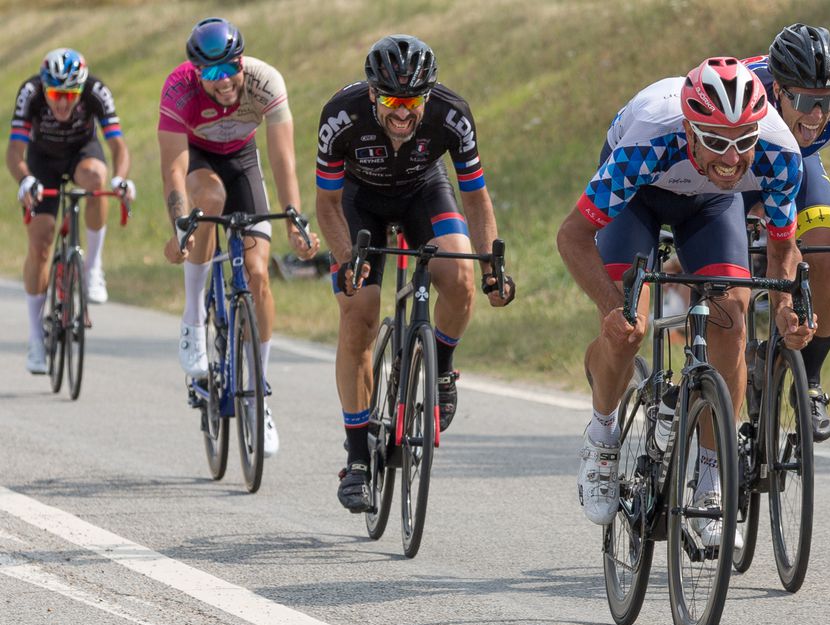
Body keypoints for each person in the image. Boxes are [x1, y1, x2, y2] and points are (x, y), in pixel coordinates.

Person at [557, 57, 815, 544]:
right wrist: (615, 306)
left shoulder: (779, 151)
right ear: (689, 129)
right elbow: (572, 236)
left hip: (713, 204)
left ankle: (713, 481)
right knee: (626, 329)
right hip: (639, 196)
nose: (731, 159)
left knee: (733, 321)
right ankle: (602, 435)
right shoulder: (650, 138)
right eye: (716, 142)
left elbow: (783, 248)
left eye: (743, 143)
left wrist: (785, 311)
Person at [315, 34, 515, 513]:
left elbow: (476, 198)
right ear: (372, 95)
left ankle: (441, 371)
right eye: (391, 101)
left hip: (425, 190)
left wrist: (492, 266)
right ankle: (359, 458)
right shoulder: (340, 115)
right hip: (358, 202)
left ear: (427, 95)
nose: (402, 112)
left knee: (461, 280)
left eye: (412, 101)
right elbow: (325, 203)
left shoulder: (453, 114)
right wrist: (346, 259)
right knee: (358, 314)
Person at [158, 17, 320, 457]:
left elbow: (283, 159)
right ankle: (193, 319)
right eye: (211, 74)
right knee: (208, 198)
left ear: (241, 60)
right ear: (196, 73)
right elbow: (173, 167)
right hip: (200, 161)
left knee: (257, 273)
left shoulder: (266, 81)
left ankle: (259, 397)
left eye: (230, 67)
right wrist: (181, 226)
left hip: (244, 161)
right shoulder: (178, 90)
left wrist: (294, 221)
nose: (224, 80)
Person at [743, 24, 830, 441]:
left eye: (826, 101)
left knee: (826, 253)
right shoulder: (747, 91)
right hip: (739, 166)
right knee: (724, 272)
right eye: (804, 100)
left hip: (798, 166)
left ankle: (810, 382)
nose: (817, 115)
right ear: (779, 89)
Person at [7, 48, 134, 374]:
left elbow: (118, 145)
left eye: (68, 95)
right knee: (40, 244)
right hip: (42, 162)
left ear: (79, 90)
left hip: (81, 153)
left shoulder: (95, 91)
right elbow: (14, 150)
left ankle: (92, 269)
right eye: (55, 94)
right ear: (45, 88)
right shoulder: (30, 92)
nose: (62, 103)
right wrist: (25, 180)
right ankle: (36, 340)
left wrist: (120, 178)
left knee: (97, 178)